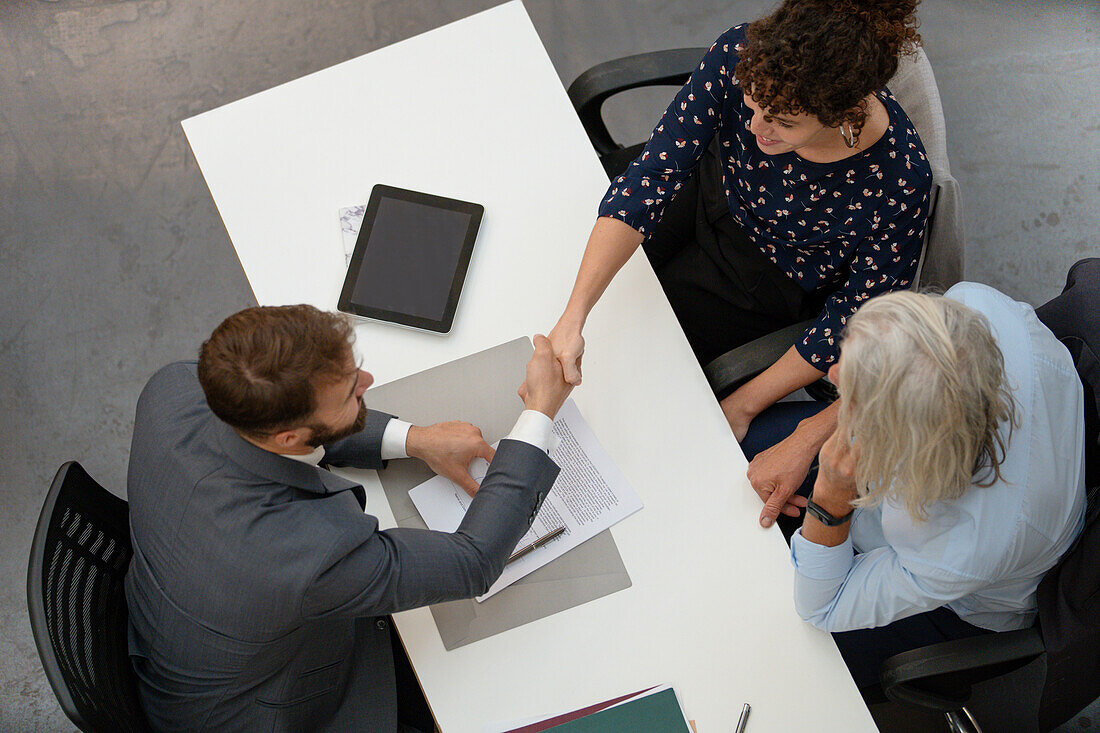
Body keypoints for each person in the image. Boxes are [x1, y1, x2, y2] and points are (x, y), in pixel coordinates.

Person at [124, 305, 573, 732]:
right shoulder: (305, 555)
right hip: (263, 712)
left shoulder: (175, 389)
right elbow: (472, 563)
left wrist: (414, 440)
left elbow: (281, 433)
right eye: (348, 392)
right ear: (290, 435)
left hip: (197, 634)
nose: (368, 380)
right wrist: (538, 412)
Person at [547, 0, 932, 470]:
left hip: (768, 276)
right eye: (752, 103)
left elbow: (854, 320)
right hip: (711, 187)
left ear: (842, 112)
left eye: (783, 122)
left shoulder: (898, 179)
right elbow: (653, 176)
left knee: (635, 375)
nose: (753, 127)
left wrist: (744, 405)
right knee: (563, 273)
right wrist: (573, 315)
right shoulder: (742, 52)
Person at [741, 284, 1086, 696]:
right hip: (912, 452)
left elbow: (822, 606)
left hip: (956, 606)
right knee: (738, 457)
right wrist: (809, 435)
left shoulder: (964, 545)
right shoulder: (976, 308)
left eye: (851, 384)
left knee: (776, 662)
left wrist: (831, 497)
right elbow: (907, 368)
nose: (831, 375)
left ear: (899, 444)